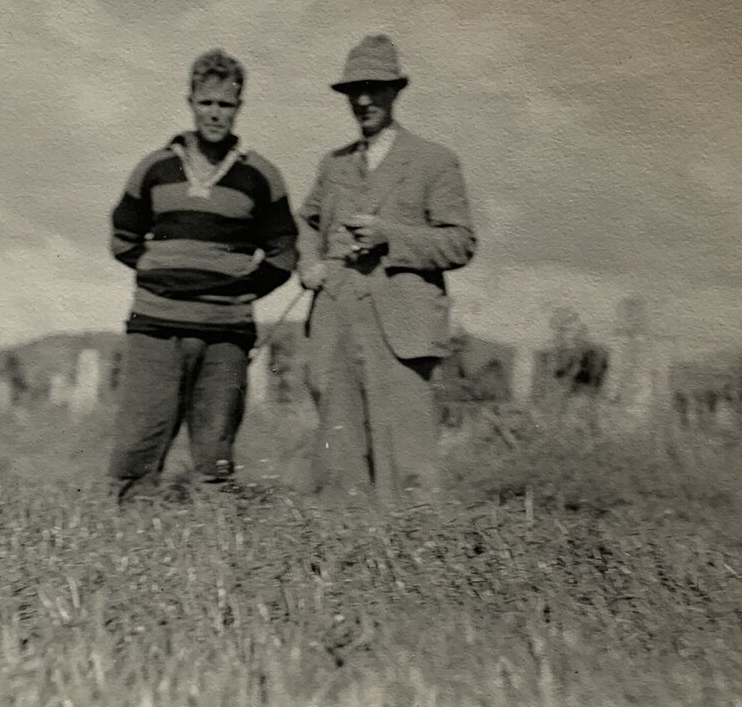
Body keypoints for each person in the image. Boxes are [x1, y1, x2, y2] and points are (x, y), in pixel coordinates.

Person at [108, 48, 298, 502]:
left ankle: (214, 535)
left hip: (226, 332)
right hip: (156, 326)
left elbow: (284, 253)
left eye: (225, 104)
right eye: (206, 102)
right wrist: (166, 276)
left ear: (239, 106)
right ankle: (129, 528)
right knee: (137, 445)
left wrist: (236, 289)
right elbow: (122, 239)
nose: (215, 113)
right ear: (190, 102)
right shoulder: (154, 168)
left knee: (215, 454)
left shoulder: (261, 176)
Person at [297, 34, 477, 503]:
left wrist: (389, 236)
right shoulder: (333, 165)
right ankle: (346, 546)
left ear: (396, 90)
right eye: (354, 91)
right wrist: (310, 263)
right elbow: (306, 222)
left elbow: (460, 242)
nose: (363, 101)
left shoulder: (434, 161)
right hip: (336, 321)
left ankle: (416, 548)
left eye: (374, 88)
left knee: (409, 462)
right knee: (340, 460)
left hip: (402, 329)